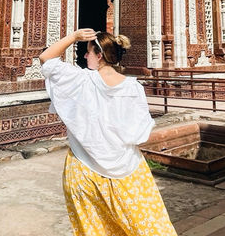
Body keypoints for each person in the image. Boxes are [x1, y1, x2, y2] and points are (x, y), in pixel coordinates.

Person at [39, 28, 177, 236]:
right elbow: (140, 133)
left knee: (95, 230)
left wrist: (74, 37)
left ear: (100, 56)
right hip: (127, 169)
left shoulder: (80, 81)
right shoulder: (133, 89)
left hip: (83, 170)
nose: (84, 56)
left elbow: (45, 58)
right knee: (149, 228)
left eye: (88, 52)